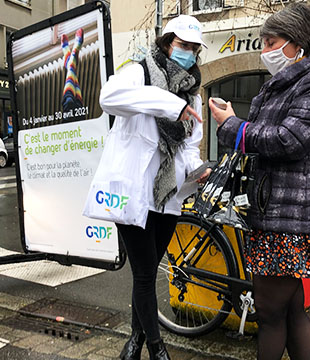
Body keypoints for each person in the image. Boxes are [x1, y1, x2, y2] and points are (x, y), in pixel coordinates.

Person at [209, 4, 310, 360]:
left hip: (291, 217)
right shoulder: (290, 82)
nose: (265, 51)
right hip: (275, 212)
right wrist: (237, 130)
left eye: (272, 41)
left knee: (270, 314)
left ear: (299, 43)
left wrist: (232, 126)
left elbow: (289, 140)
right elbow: (269, 139)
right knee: (288, 311)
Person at [98, 15, 209, 360]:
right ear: (167, 43)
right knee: (145, 274)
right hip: (133, 192)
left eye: (193, 48)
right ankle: (158, 349)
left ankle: (134, 341)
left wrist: (195, 169)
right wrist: (169, 104)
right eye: (182, 45)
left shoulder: (192, 91)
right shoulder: (139, 71)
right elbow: (108, 97)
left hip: (168, 195)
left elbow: (191, 144)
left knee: (145, 275)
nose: (187, 53)